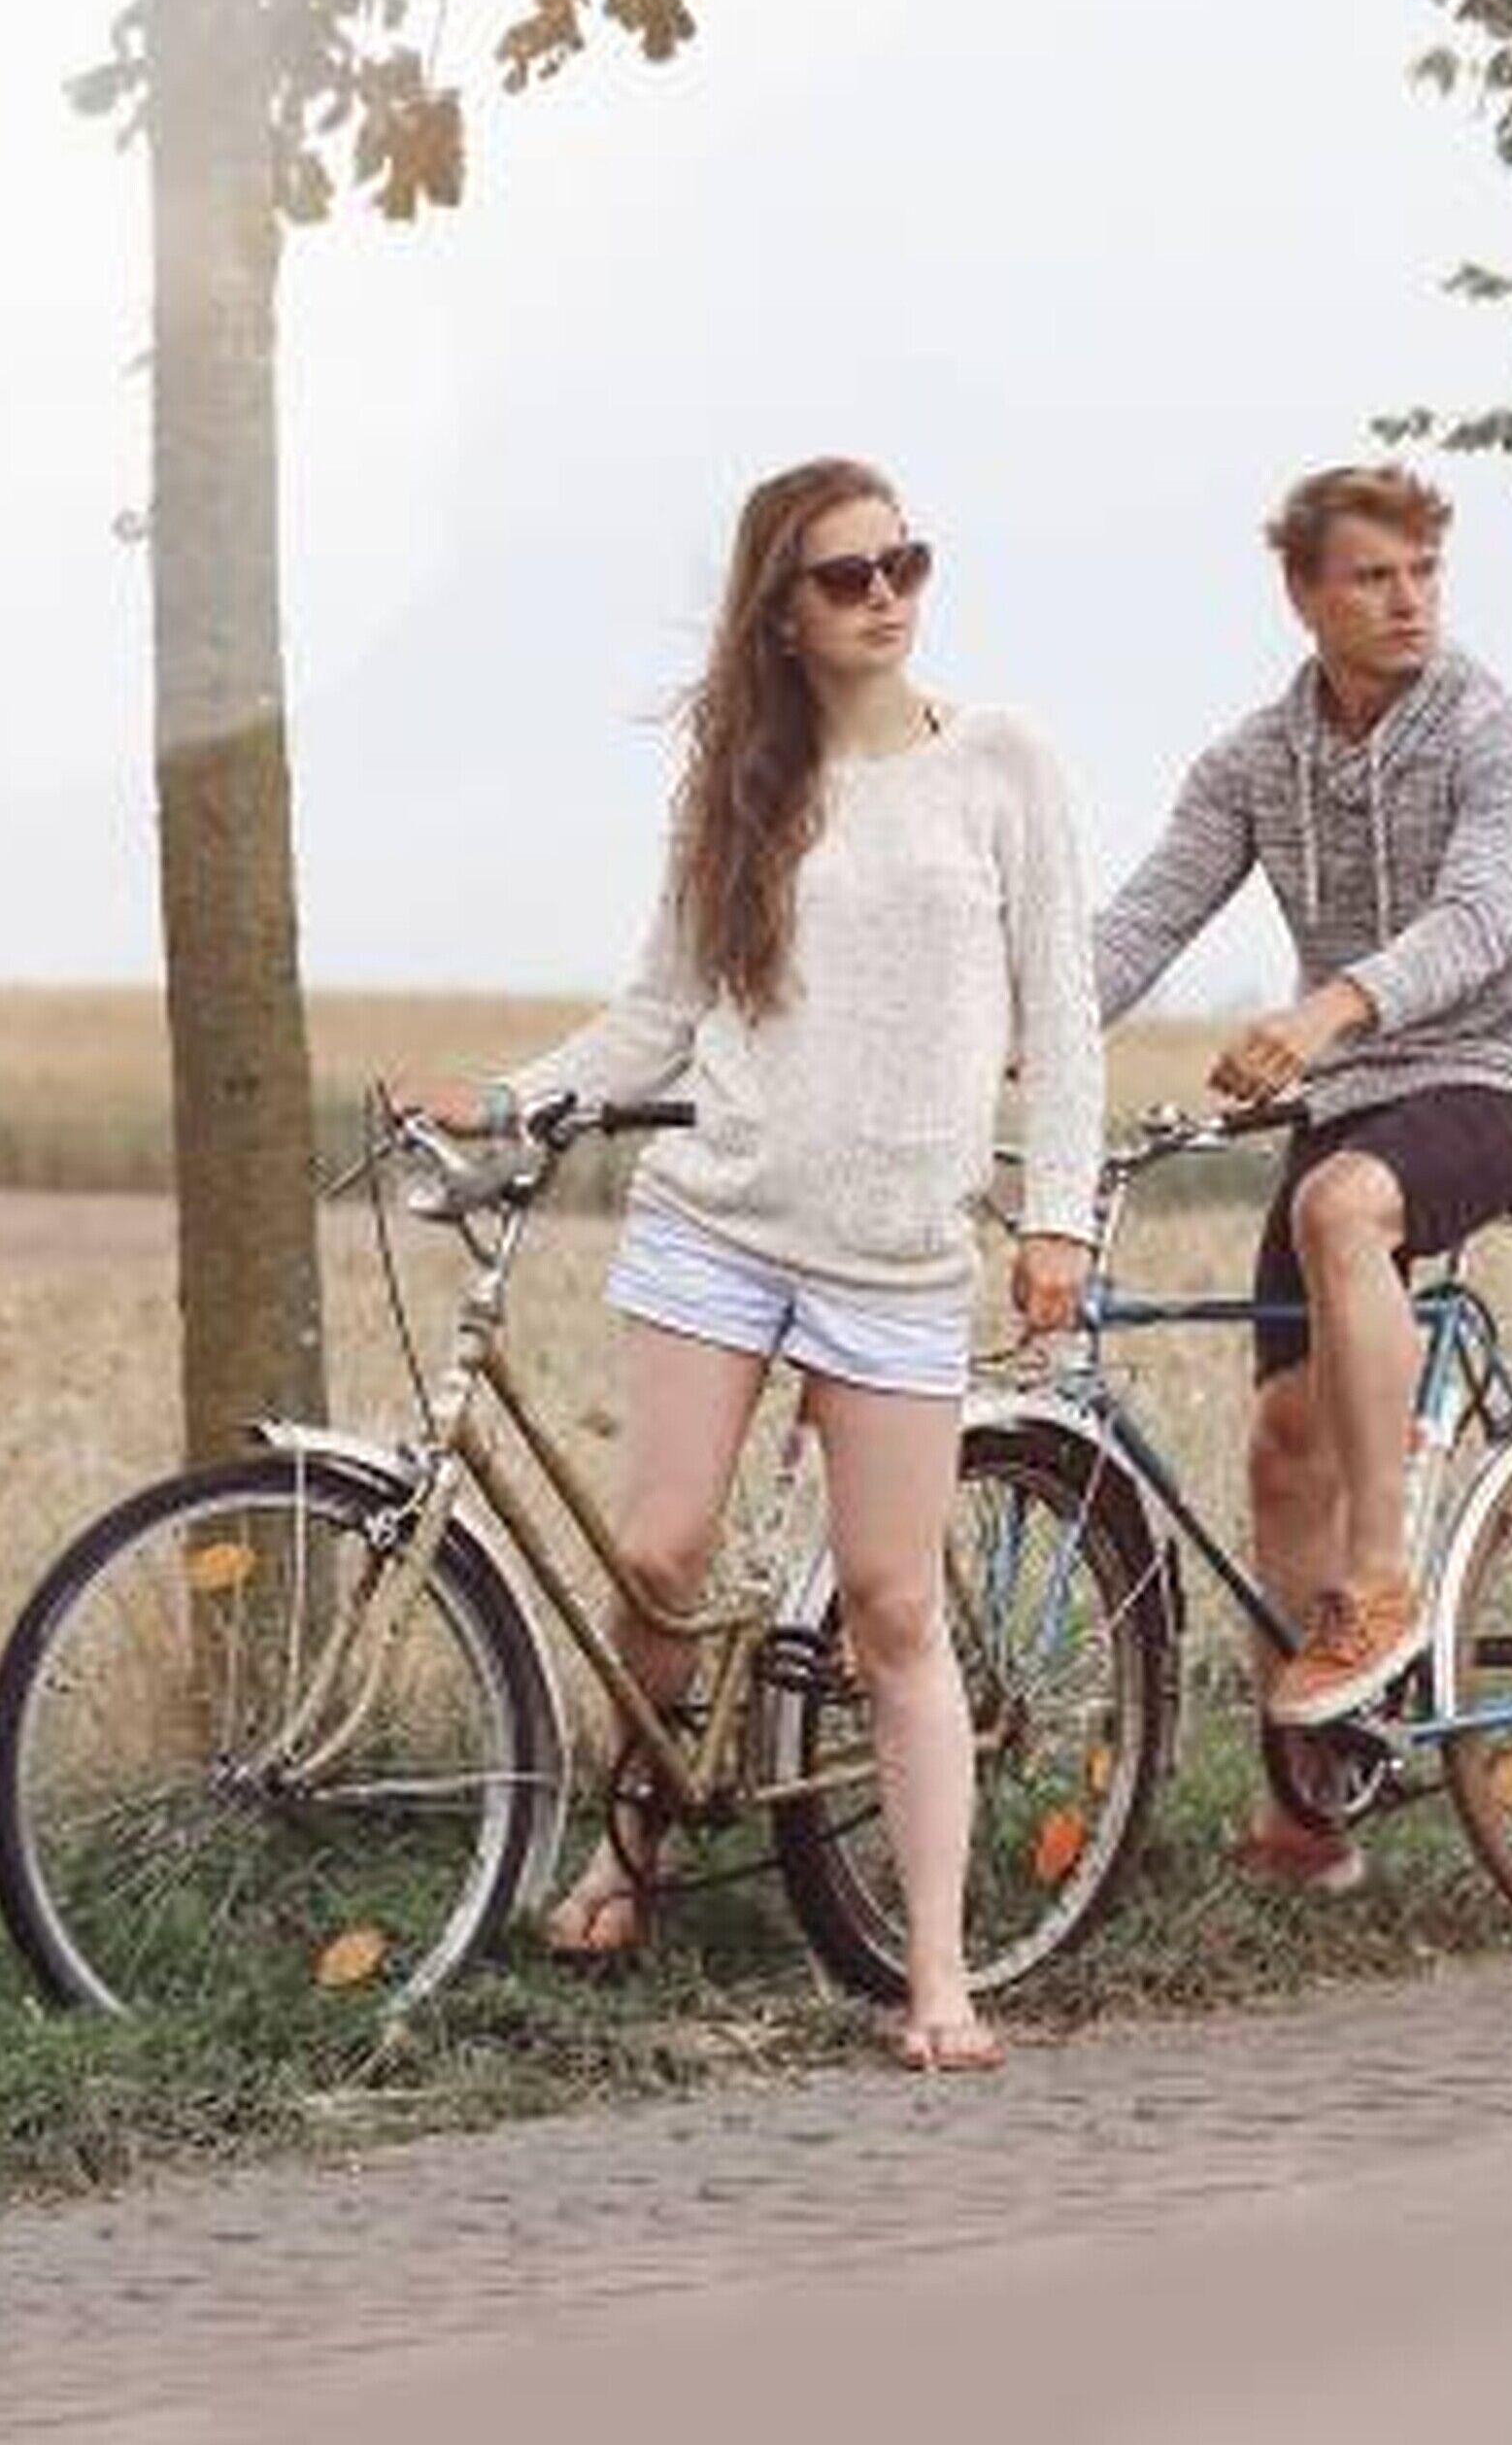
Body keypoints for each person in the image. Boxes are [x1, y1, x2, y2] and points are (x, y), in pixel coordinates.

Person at [403, 456, 1101, 2071]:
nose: (886, 596)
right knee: (657, 1551)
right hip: (717, 1221)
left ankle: (935, 1976)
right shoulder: (738, 780)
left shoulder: (1003, 766)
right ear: (780, 611)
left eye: (905, 563)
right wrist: (509, 1098)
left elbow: (1060, 1011)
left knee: (892, 1605)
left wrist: (1057, 1212)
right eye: (846, 575)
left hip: (897, 1254)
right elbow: (659, 1012)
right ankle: (630, 1849)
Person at [1089, 462, 1512, 1889]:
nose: (1408, 600)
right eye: (1374, 577)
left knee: (1340, 1204)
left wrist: (1323, 1015)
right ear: (1304, 594)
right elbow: (1142, 921)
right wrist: (1018, 1035)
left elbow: (1480, 918)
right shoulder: (1256, 761)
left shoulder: (1506, 739)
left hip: (1505, 1077)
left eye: (1424, 573)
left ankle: (1380, 1586)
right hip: (1360, 1092)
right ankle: (1307, 1821)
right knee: (1278, 1445)